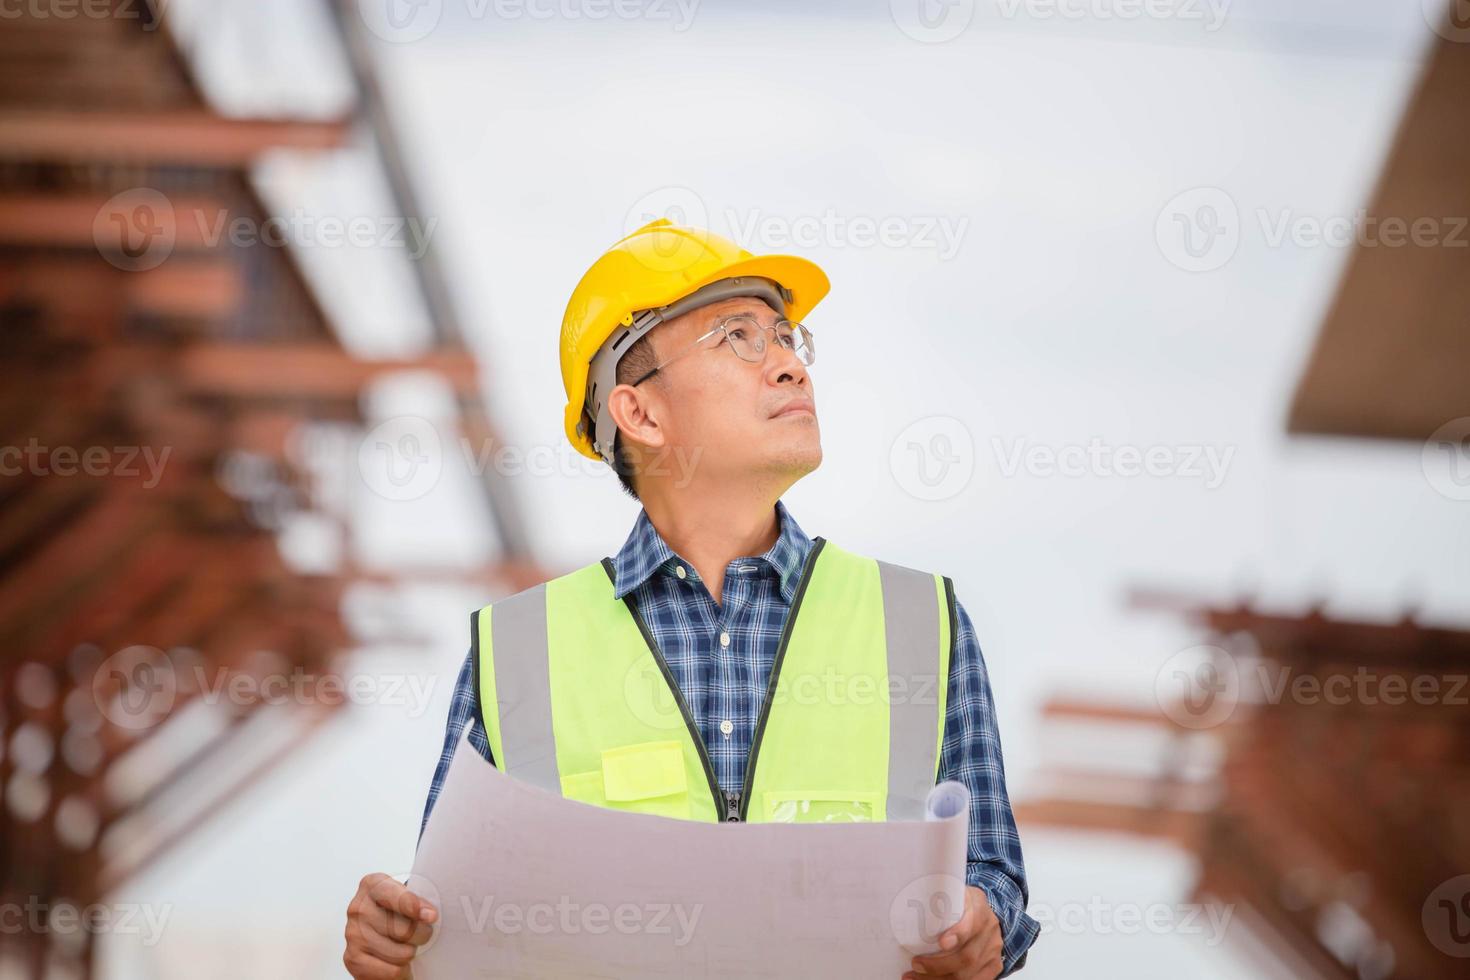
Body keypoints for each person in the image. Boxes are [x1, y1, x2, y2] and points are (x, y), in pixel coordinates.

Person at [343, 219, 1040, 979]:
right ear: (640, 414)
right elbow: (452, 920)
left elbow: (993, 879)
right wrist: (397, 941)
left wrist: (983, 929)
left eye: (786, 337)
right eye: (738, 338)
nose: (788, 367)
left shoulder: (922, 625)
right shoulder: (519, 652)